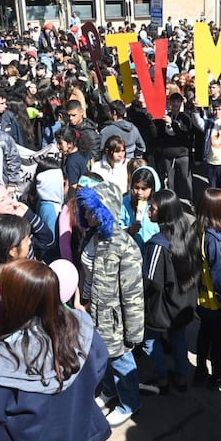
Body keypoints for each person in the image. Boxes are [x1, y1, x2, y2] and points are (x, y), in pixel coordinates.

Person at [0, 259, 111, 441]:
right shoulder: (82, 326)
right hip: (75, 434)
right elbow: (99, 366)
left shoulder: (4, 358)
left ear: (17, 304)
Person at [76, 181, 144, 427]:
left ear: (106, 210)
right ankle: (109, 391)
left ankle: (130, 402)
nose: (86, 214)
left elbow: (133, 294)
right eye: (85, 209)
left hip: (113, 320)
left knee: (121, 362)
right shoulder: (91, 235)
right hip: (91, 312)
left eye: (93, 210)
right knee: (101, 357)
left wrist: (133, 333)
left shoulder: (125, 247)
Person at [141, 189, 201, 393]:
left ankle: (161, 378)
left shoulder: (157, 245)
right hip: (184, 301)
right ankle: (181, 376)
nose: (149, 211)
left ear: (164, 213)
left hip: (163, 306)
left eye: (153, 208)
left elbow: (151, 281)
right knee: (178, 339)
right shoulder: (189, 232)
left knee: (150, 341)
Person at [194, 187, 221, 389]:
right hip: (217, 301)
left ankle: (200, 369)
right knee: (219, 340)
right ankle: (217, 376)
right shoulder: (215, 239)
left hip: (202, 298)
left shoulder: (198, 229)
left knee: (203, 334)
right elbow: (220, 275)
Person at [120, 165, 162, 253]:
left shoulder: (158, 205)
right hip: (131, 251)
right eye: (136, 188)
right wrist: (129, 230)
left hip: (152, 249)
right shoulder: (125, 202)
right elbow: (118, 225)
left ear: (152, 188)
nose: (139, 192)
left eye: (144, 189)